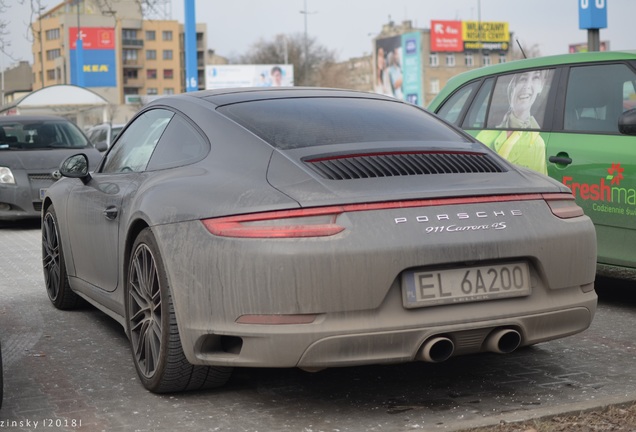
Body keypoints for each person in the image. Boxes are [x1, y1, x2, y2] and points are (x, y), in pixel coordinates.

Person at [476, 70, 548, 175]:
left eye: (535, 78)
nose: (527, 86)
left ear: (540, 87)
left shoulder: (538, 143)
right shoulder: (485, 135)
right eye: (522, 79)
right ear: (511, 86)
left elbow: (542, 186)